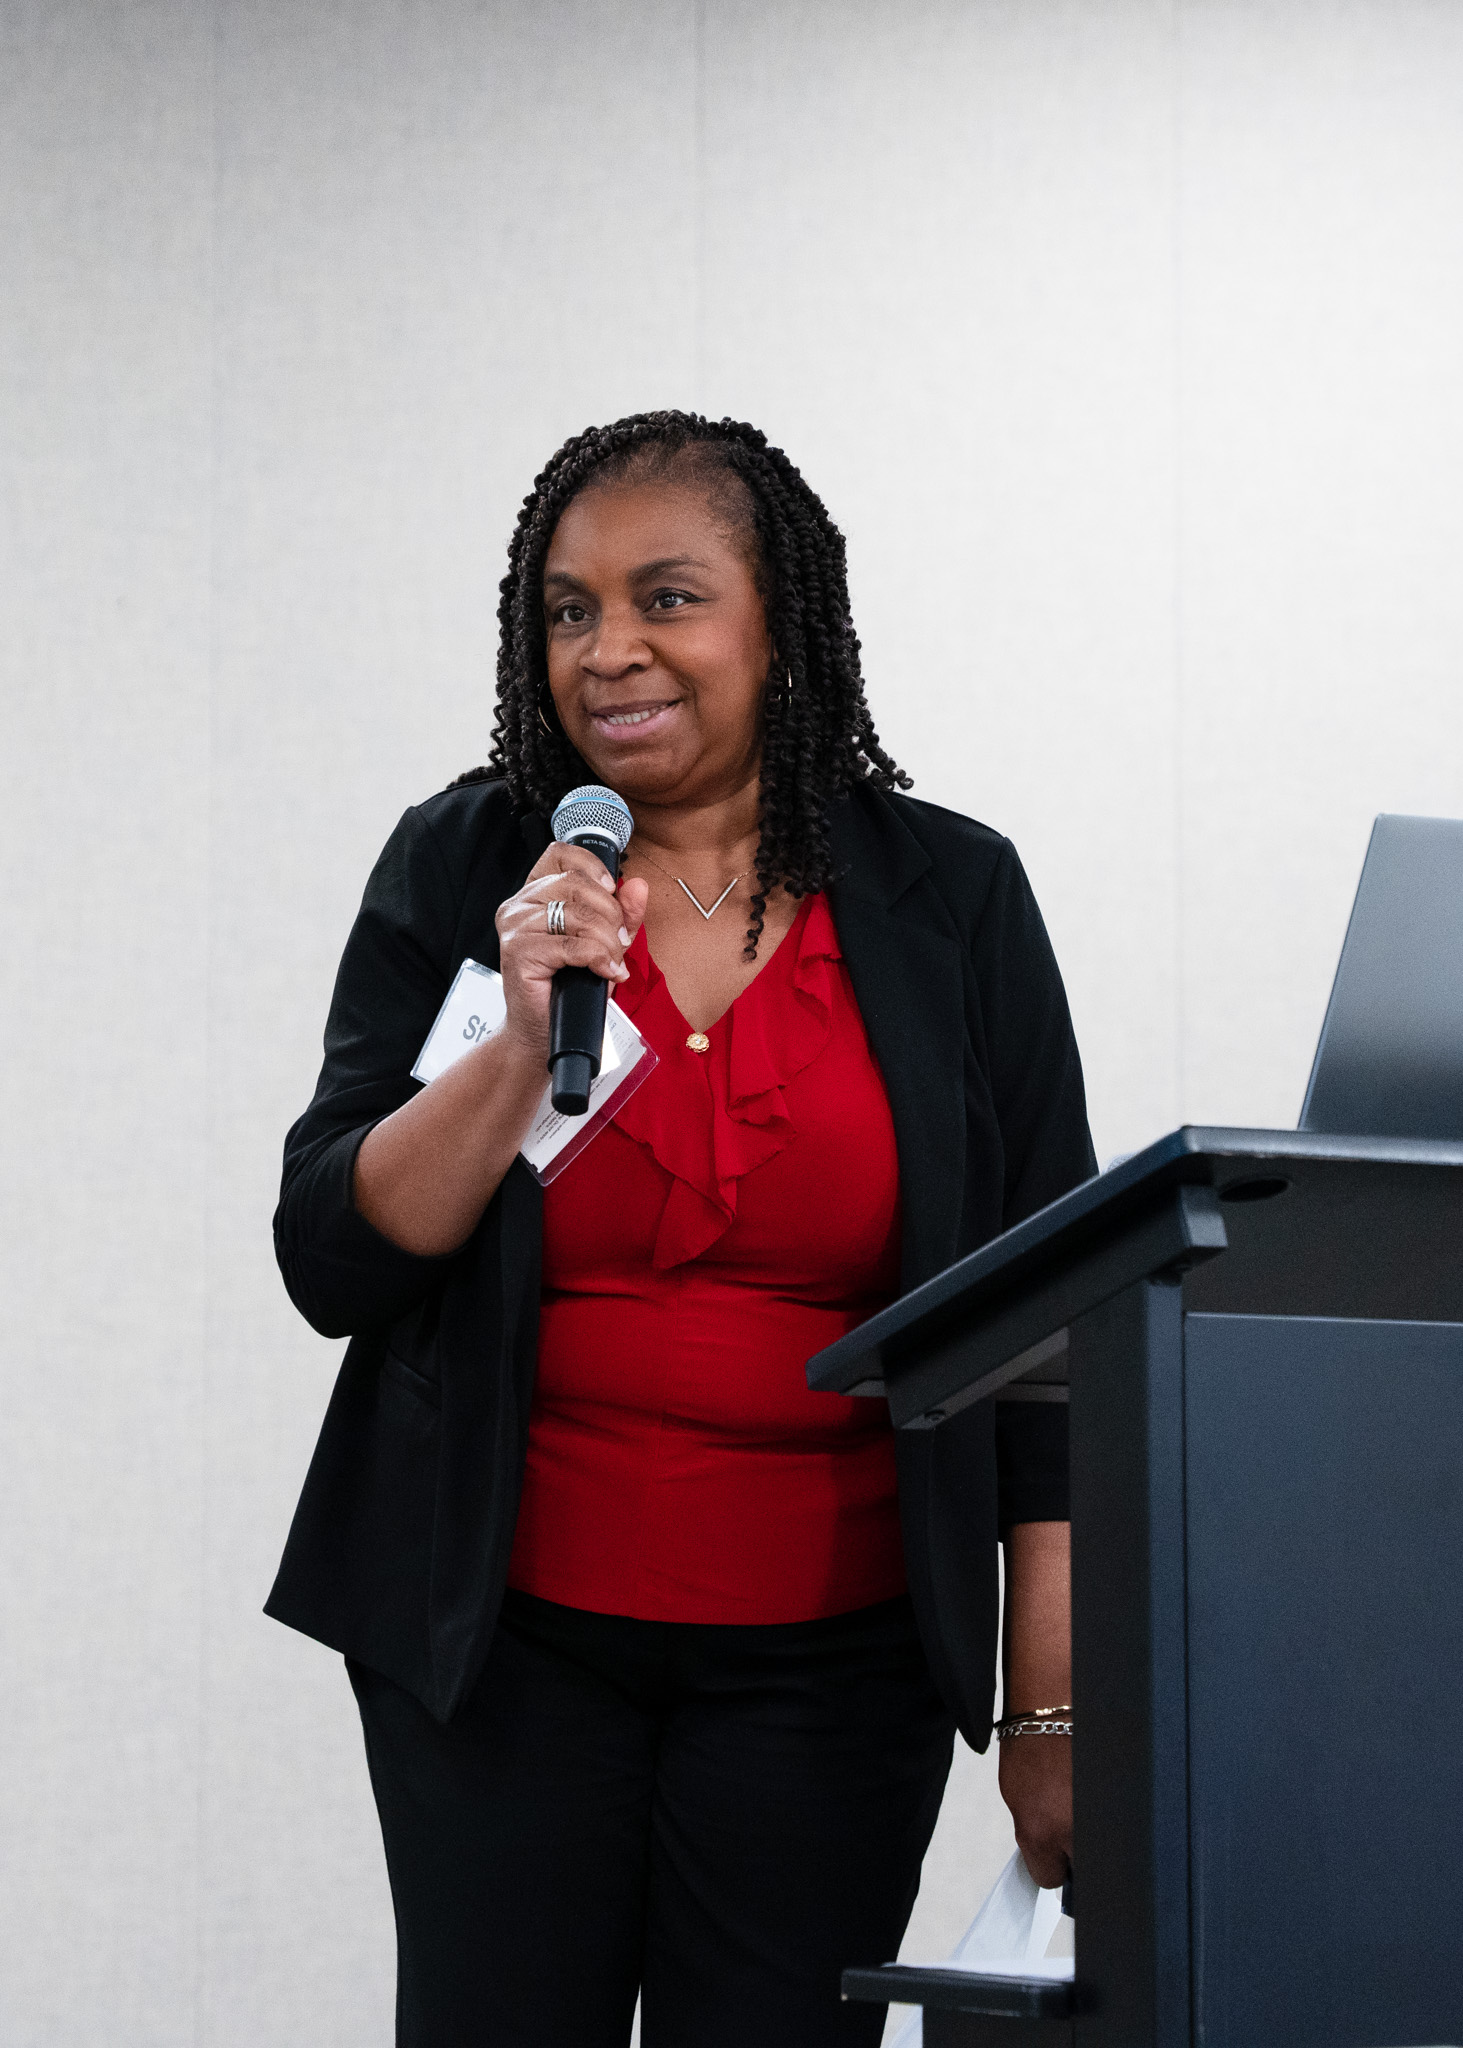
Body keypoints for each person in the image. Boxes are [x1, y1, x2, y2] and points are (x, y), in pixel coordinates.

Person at [267, 410, 1094, 2047]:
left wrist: (1053, 1700)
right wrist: (516, 1042)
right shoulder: (471, 863)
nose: (609, 650)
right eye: (569, 610)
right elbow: (334, 1255)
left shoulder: (951, 898)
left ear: (779, 622)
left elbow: (1048, 1337)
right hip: (500, 1649)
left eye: (666, 598)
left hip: (835, 1662)